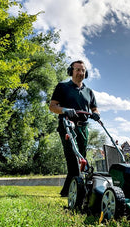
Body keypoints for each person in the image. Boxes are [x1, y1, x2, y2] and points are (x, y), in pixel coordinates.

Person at [49, 60, 100, 197]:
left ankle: (68, 191)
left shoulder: (89, 92)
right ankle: (76, 191)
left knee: (81, 159)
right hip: (67, 126)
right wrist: (65, 110)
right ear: (71, 71)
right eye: (77, 70)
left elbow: (95, 109)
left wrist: (95, 114)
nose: (80, 73)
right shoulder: (62, 87)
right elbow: (52, 106)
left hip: (83, 128)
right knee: (73, 158)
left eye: (83, 70)